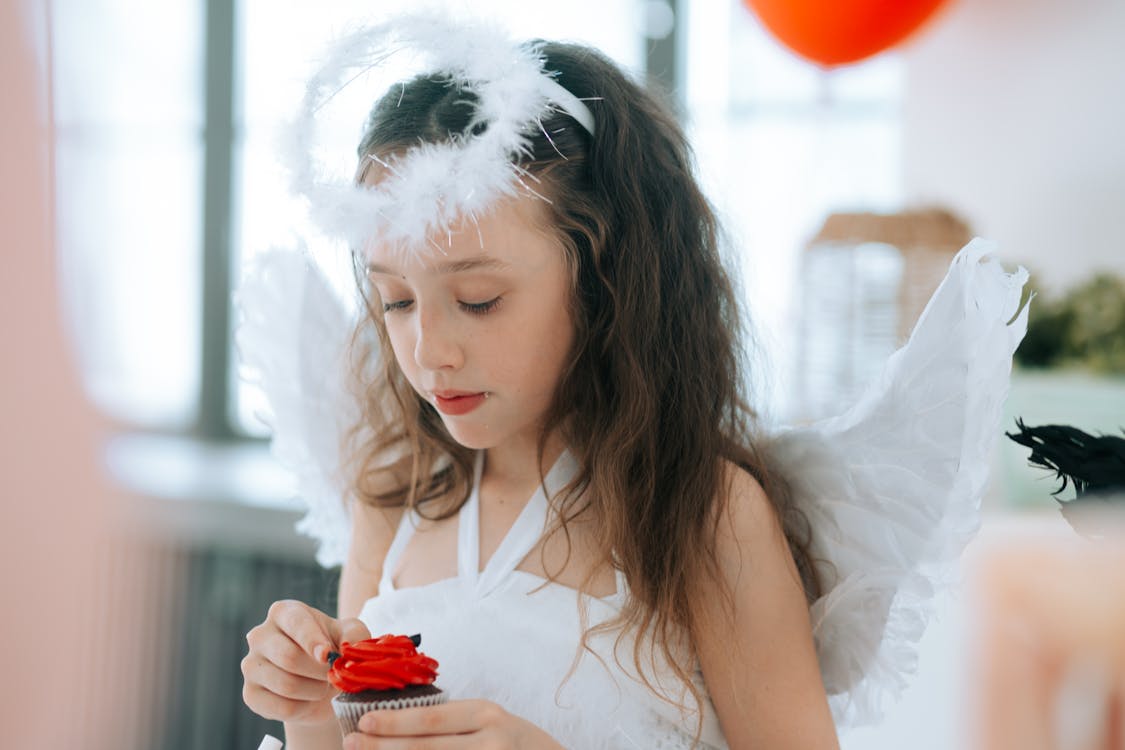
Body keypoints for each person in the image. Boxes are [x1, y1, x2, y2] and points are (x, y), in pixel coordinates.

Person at [239, 12, 1027, 750]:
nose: (429, 350)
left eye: (478, 301)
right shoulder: (400, 496)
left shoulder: (703, 519)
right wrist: (313, 708)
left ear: (603, 278)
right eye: (396, 301)